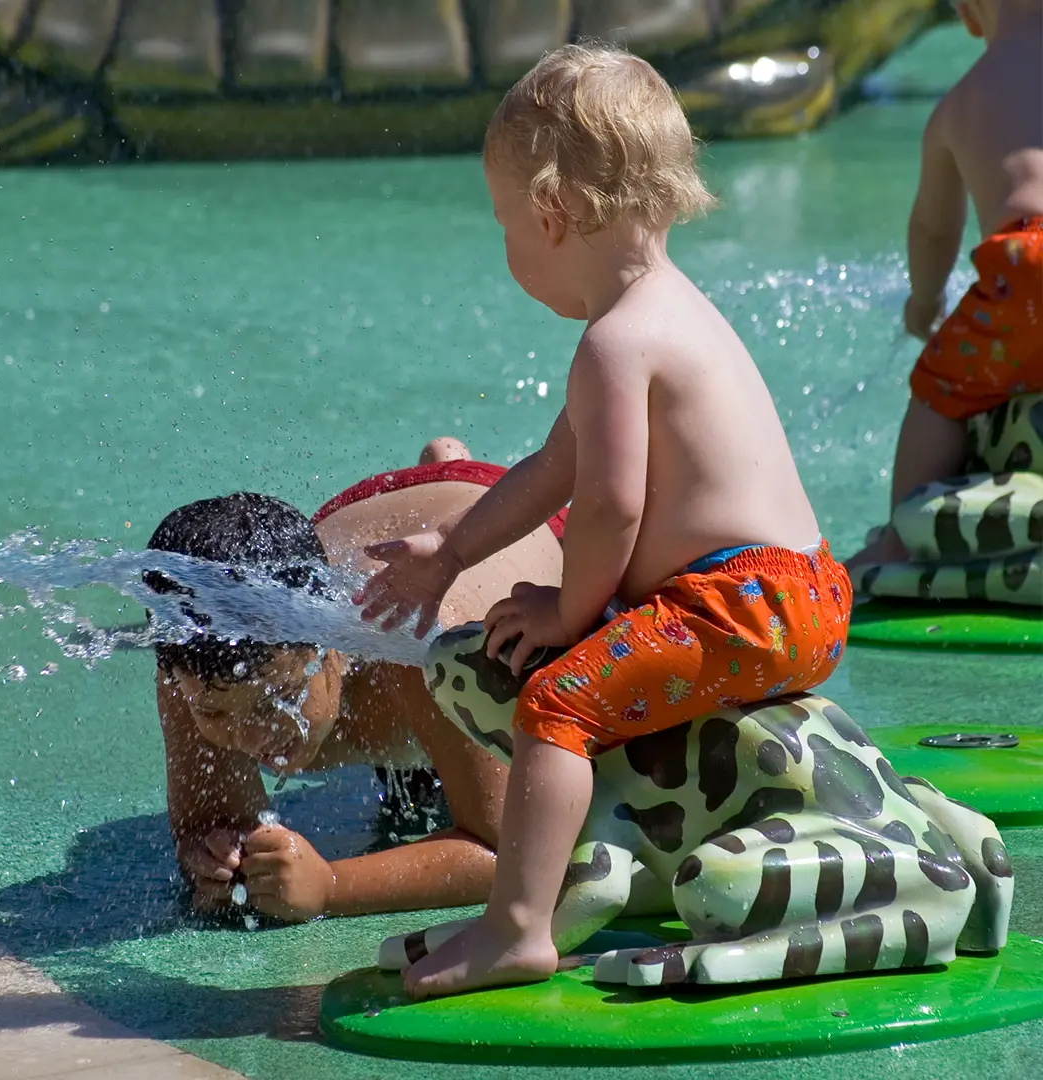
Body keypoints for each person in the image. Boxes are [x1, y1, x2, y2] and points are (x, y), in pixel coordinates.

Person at [355, 43, 852, 1000]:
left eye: (505, 224)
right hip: (800, 587)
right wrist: (453, 550)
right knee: (599, 674)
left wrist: (569, 613)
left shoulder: (615, 345)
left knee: (558, 704)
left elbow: (613, 507)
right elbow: (555, 470)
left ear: (548, 216)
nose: (507, 245)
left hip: (741, 607)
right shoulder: (675, 311)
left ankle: (517, 927)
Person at [148, 437, 564, 923]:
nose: (250, 738)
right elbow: (208, 826)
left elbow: (510, 851)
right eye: (214, 713)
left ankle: (451, 466)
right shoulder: (198, 667)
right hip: (356, 519)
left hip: (500, 513)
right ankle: (440, 466)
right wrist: (216, 858)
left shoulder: (421, 650)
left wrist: (332, 886)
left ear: (331, 651)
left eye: (276, 701)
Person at [847, 0, 1043, 569]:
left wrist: (926, 300)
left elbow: (935, 230)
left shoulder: (962, 105)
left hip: (1025, 269)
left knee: (937, 394)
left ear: (969, 13)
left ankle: (900, 538)